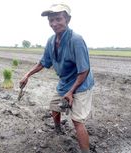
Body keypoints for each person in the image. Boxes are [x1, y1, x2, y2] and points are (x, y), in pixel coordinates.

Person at [19, 2, 94, 153]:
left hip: (81, 84)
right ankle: (58, 129)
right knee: (54, 106)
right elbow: (43, 62)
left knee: (77, 120)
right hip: (65, 82)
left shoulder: (76, 40)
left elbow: (84, 71)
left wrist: (71, 92)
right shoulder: (51, 41)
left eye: (58, 19)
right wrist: (28, 74)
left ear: (67, 19)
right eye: (51, 20)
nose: (54, 23)